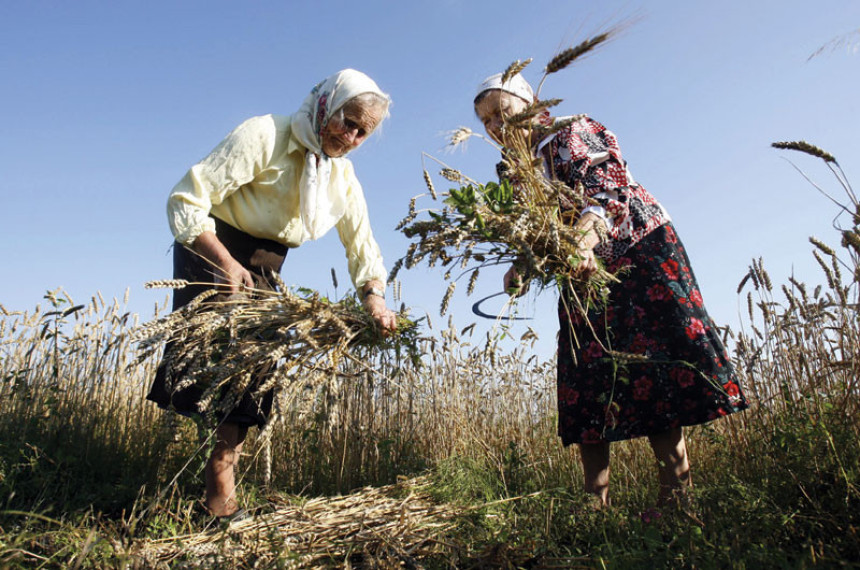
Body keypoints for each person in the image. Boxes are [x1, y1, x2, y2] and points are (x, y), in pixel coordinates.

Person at [473, 72, 748, 510]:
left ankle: (677, 497)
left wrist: (583, 238)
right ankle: (593, 504)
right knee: (588, 374)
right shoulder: (512, 170)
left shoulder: (570, 131)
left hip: (636, 253)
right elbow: (534, 228)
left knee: (653, 365)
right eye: (484, 119)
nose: (494, 126)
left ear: (530, 104)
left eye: (501, 113)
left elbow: (607, 192)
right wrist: (522, 263)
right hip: (581, 273)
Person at [147, 69, 397, 518]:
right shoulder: (265, 134)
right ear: (326, 106)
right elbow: (186, 199)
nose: (353, 136)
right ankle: (220, 499)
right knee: (221, 367)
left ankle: (215, 494)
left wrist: (374, 297)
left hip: (265, 265)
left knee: (255, 372)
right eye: (349, 121)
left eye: (364, 132)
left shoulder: (341, 177)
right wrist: (224, 262)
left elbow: (362, 243)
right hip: (212, 247)